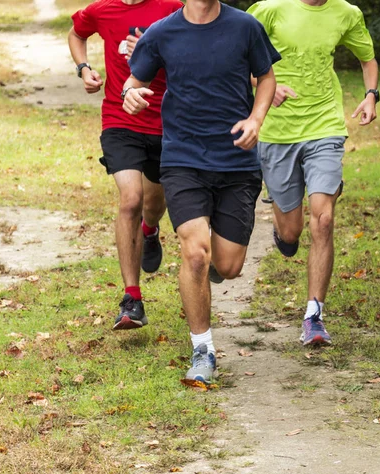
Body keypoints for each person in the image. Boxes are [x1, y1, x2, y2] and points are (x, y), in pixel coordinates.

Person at [122, 0, 280, 382]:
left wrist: (256, 119)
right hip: (183, 160)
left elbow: (267, 77)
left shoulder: (245, 27)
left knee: (228, 266)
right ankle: (202, 349)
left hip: (237, 163)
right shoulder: (162, 32)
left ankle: (211, 270)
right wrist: (131, 94)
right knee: (195, 254)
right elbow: (134, 81)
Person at [248, 0, 379, 346]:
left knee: (323, 219)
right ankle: (281, 216)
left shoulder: (346, 13)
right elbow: (235, 56)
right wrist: (266, 87)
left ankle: (314, 315)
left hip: (325, 126)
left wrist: (371, 95)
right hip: (277, 133)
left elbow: (368, 58)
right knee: (291, 235)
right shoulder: (269, 9)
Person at [68, 0, 182, 331]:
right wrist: (84, 69)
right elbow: (76, 34)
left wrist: (151, 52)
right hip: (120, 121)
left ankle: (150, 231)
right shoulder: (102, 10)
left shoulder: (172, 8)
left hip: (164, 121)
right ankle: (131, 299)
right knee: (130, 199)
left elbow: (193, 57)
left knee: (153, 203)